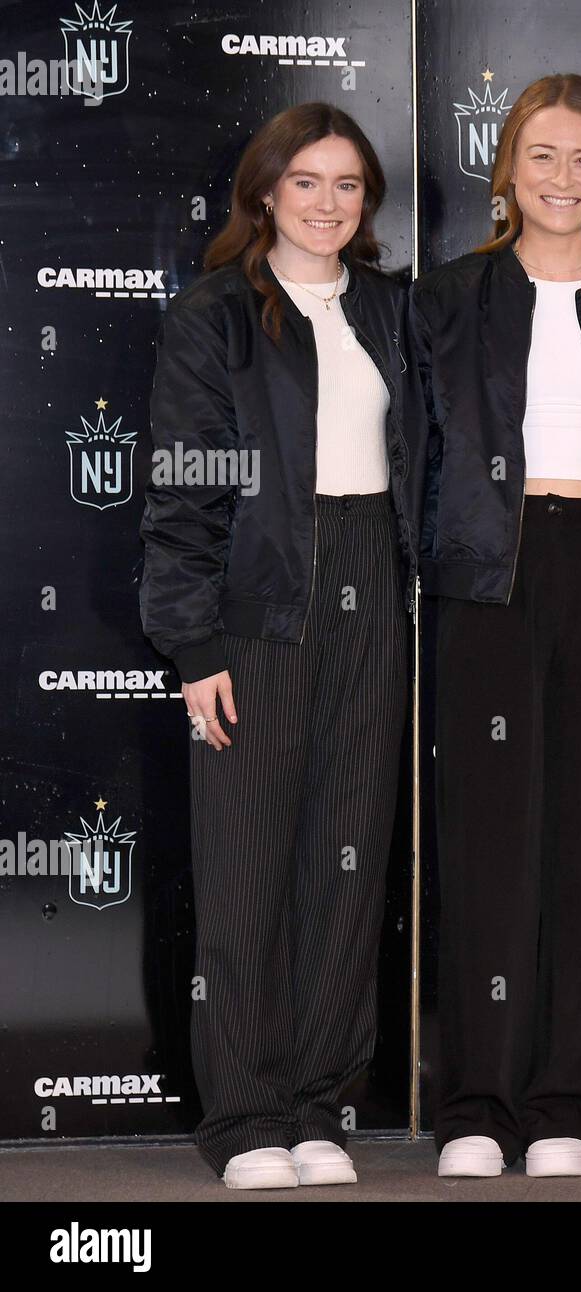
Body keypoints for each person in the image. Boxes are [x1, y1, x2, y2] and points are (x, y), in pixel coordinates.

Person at [139, 102, 427, 1189]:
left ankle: (318, 1100)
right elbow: (182, 491)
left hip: (371, 585)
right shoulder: (214, 314)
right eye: (306, 181)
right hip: (257, 603)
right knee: (250, 865)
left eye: (348, 184)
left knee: (345, 865)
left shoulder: (390, 310)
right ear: (264, 192)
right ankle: (247, 1115)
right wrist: (195, 642)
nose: (327, 203)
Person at [410, 73, 581, 1179]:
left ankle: (566, 1100)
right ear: (506, 170)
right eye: (542, 156)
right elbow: (410, 455)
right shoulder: (444, 298)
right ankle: (478, 1100)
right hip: (486, 574)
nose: (562, 179)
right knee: (485, 847)